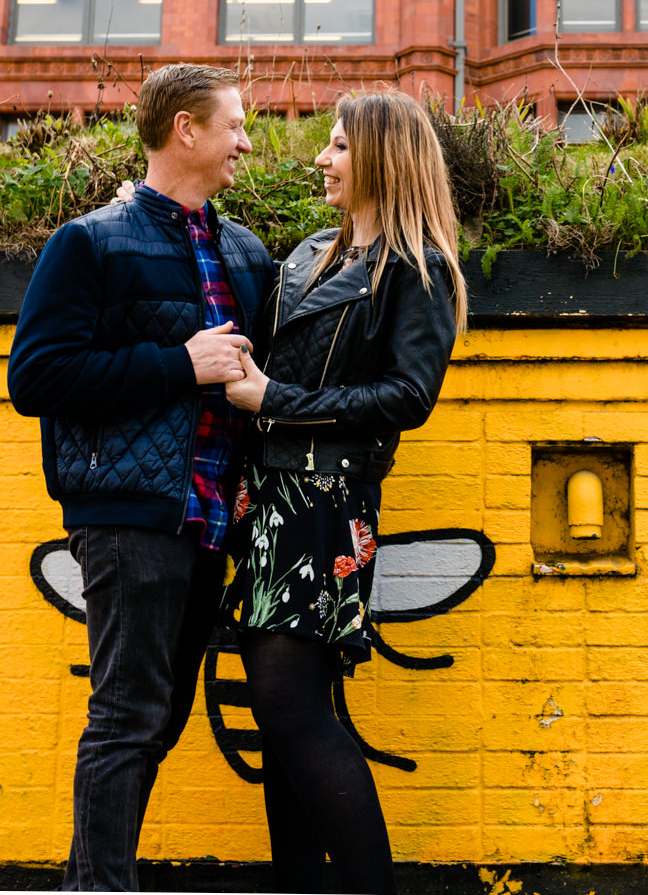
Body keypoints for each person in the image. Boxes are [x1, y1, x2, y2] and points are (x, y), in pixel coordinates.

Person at [7, 64, 274, 891]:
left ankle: (98, 875)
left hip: (211, 518)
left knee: (156, 721)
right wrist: (178, 364)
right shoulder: (90, 241)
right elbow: (36, 378)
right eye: (234, 125)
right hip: (127, 515)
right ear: (185, 129)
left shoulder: (246, 252)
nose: (246, 142)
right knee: (125, 716)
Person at [219, 91, 467, 894]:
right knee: (280, 716)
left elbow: (408, 397)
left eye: (336, 146)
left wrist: (279, 404)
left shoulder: (417, 267)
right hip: (267, 501)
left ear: (382, 158)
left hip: (325, 503)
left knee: (290, 708)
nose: (320, 160)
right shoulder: (310, 253)